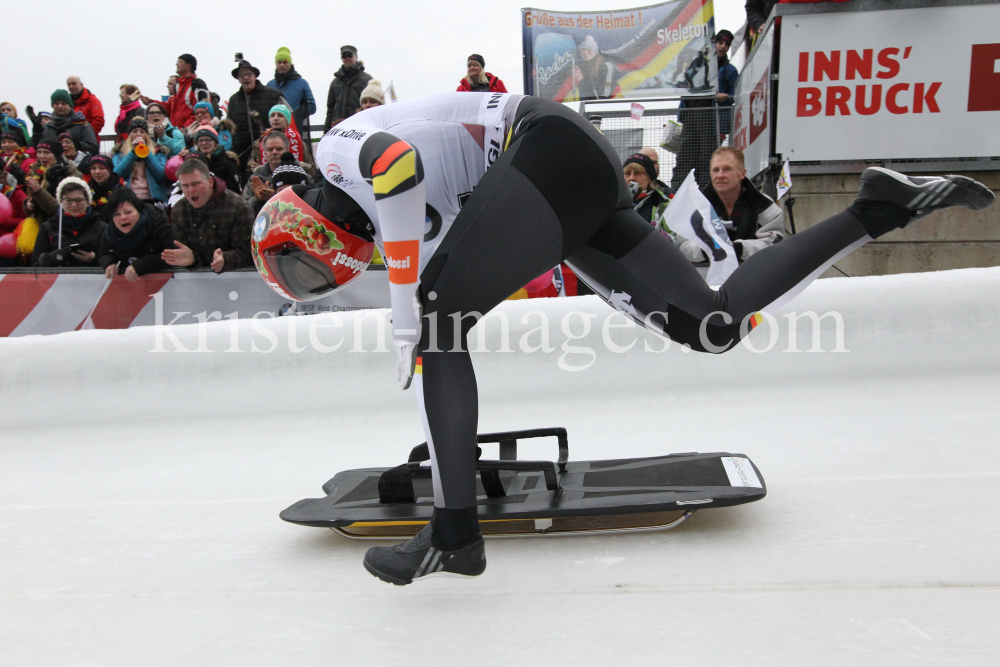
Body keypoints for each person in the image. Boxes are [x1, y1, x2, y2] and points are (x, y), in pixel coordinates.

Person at [258, 92, 993, 585]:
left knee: (436, 314)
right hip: (563, 174)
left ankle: (454, 531)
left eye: (303, 265)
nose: (321, 274)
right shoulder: (393, 222)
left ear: (298, 220)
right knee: (709, 324)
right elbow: (465, 228)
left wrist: (404, 309)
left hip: (545, 151)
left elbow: (395, 167)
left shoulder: (338, 152)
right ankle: (876, 208)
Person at [677, 147, 785, 263]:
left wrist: (738, 248)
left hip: (754, 275)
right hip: (705, 276)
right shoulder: (695, 207)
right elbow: (682, 245)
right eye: (715, 170)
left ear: (742, 173)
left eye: (727, 169)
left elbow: (774, 245)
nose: (720, 175)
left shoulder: (764, 205)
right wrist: (710, 248)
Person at [670, 30, 738, 190]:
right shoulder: (697, 61)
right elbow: (682, 82)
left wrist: (725, 96)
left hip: (712, 120)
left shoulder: (730, 70)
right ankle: (676, 192)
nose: (723, 47)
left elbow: (734, 95)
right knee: (686, 156)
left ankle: (706, 192)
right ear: (714, 44)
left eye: (726, 44)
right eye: (720, 43)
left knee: (707, 159)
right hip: (691, 116)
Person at [164, 157, 253, 272]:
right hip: (196, 281)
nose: (191, 190)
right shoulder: (179, 210)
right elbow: (182, 250)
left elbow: (247, 252)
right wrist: (192, 259)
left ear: (210, 182)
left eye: (195, 183)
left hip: (238, 278)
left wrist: (225, 259)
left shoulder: (238, 207)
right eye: (185, 186)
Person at [99, 188, 174, 281]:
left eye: (128, 212)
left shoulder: (158, 226)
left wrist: (141, 265)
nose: (123, 218)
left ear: (139, 211)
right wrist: (109, 263)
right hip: (124, 287)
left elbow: (172, 255)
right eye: (117, 214)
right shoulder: (109, 233)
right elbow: (103, 254)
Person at [31, 176, 106, 267]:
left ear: (87, 201)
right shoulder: (48, 228)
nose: (74, 205)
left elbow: (113, 262)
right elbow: (34, 266)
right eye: (68, 200)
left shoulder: (102, 228)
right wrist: (51, 258)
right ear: (61, 202)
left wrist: (94, 259)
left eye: (79, 200)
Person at [227, 59, 285, 175]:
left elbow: (288, 119)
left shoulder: (273, 95)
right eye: (242, 75)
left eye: (249, 74)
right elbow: (229, 131)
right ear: (238, 79)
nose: (246, 78)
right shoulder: (233, 100)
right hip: (241, 156)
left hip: (268, 153)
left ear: (255, 76)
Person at [244, 132, 314, 214]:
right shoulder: (256, 177)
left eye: (279, 149)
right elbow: (245, 208)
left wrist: (278, 197)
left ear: (287, 150)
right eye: (270, 150)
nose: (274, 152)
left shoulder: (302, 175)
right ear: (265, 152)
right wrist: (258, 199)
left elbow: (313, 203)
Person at [112, 118, 169, 203]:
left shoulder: (159, 151)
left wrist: (146, 152)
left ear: (147, 135)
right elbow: (116, 175)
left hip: (153, 200)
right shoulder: (120, 152)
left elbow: (161, 176)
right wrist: (133, 153)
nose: (138, 134)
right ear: (130, 134)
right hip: (129, 200)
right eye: (134, 131)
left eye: (142, 132)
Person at [146, 54, 210, 130]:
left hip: (189, 132)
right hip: (176, 131)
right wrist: (151, 102)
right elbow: (169, 107)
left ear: (188, 66)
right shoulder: (178, 86)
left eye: (180, 62)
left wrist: (186, 128)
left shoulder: (197, 84)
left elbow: (202, 110)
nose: (176, 64)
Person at [266, 46, 316, 140]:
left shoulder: (301, 83)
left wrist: (296, 116)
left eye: (285, 62)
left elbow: (312, 106)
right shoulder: (270, 84)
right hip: (274, 134)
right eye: (279, 62)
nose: (281, 65)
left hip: (295, 131)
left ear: (290, 64)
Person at [23, 139, 82, 217]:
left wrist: (39, 192)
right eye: (39, 152)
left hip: (60, 224)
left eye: (46, 153)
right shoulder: (35, 171)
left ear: (56, 156)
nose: (42, 156)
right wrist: (29, 205)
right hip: (40, 223)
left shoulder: (69, 174)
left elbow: (59, 210)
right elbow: (29, 209)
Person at [323, 45, 373, 131]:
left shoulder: (366, 79)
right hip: (339, 127)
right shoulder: (335, 82)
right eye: (344, 56)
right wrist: (326, 131)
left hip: (360, 125)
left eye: (350, 55)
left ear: (356, 57)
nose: (347, 58)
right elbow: (330, 109)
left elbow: (373, 106)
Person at [39, 90, 99, 155]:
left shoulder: (83, 125)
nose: (60, 106)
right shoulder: (47, 128)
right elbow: (36, 148)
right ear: (52, 106)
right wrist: (36, 131)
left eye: (63, 103)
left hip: (78, 163)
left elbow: (94, 149)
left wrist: (76, 144)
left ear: (70, 106)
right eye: (57, 103)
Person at [622, 153, 671, 230]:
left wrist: (665, 238)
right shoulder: (615, 202)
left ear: (649, 177)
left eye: (637, 173)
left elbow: (677, 237)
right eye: (627, 174)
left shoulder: (665, 203)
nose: (632, 178)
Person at [185, 125, 240, 193]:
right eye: (200, 140)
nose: (204, 143)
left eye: (208, 140)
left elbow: (234, 190)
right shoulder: (194, 160)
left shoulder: (226, 162)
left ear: (215, 142)